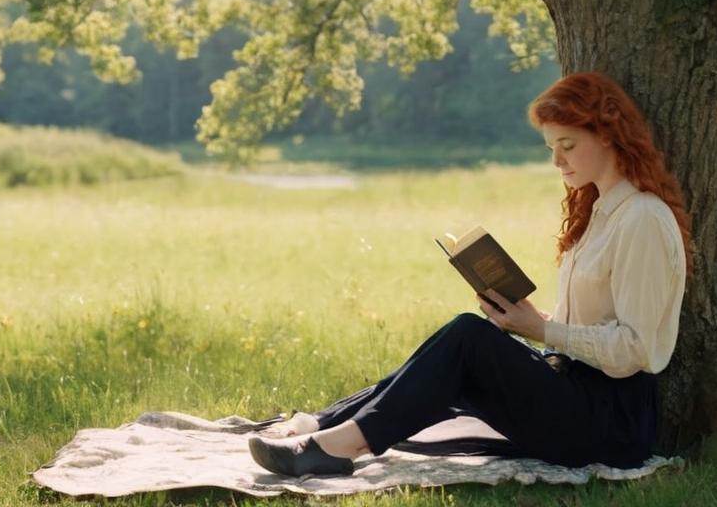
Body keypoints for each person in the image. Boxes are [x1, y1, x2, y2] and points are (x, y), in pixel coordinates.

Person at [247, 71, 693, 477]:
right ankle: (325, 426)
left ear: (609, 136)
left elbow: (635, 349)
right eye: (551, 148)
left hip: (611, 423)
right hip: (576, 390)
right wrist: (529, 321)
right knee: (467, 340)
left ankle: (337, 448)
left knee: (468, 338)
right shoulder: (600, 211)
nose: (557, 160)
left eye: (568, 145)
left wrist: (543, 330)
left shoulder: (643, 220)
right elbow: (587, 324)